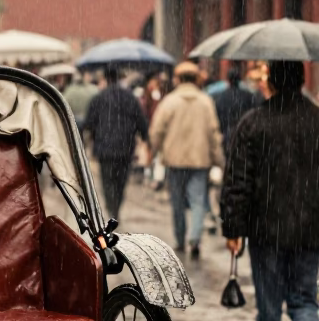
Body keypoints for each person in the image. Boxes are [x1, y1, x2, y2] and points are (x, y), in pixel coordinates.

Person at [221, 59, 319, 321]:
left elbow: (238, 182)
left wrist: (233, 228)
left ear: (273, 82)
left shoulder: (253, 123)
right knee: (305, 301)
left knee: (269, 308)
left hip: (267, 231)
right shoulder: (316, 120)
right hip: (310, 230)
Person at [149, 60, 223, 259]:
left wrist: (154, 151)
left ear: (179, 79)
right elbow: (213, 133)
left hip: (175, 160)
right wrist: (219, 159)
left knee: (178, 201)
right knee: (198, 200)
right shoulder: (205, 101)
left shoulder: (170, 101)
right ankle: (195, 238)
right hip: (200, 160)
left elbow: (156, 131)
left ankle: (180, 239)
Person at [83, 65, 148, 220]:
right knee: (121, 181)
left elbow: (89, 123)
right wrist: (144, 137)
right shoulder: (130, 98)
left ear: (106, 78)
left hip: (104, 148)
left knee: (108, 181)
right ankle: (116, 206)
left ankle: (112, 207)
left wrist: (92, 135)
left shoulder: (99, 98)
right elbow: (140, 121)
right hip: (125, 148)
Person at [212, 65, 262, 154]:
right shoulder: (248, 96)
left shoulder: (221, 97)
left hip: (226, 135)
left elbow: (217, 116)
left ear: (228, 80)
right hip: (244, 135)